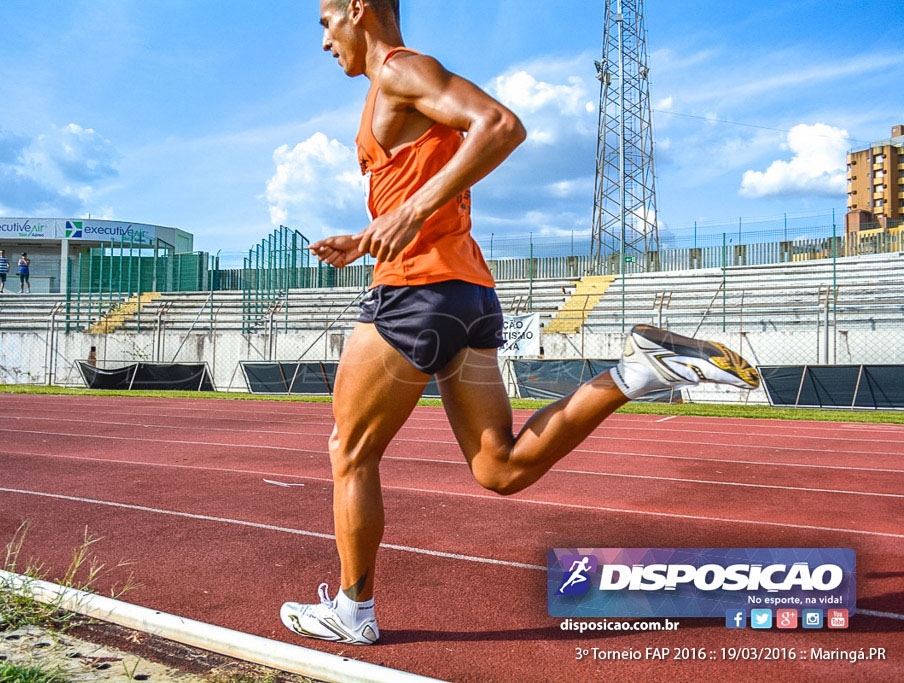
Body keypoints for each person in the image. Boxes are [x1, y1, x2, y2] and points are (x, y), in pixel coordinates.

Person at [280, 0, 760, 645]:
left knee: (350, 450)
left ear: (358, 10)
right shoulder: (392, 87)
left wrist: (412, 213)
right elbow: (415, 195)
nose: (323, 40)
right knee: (500, 469)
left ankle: (352, 611)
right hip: (468, 298)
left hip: (417, 295)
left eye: (324, 21)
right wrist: (368, 236)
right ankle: (639, 372)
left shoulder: (399, 69)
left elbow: (501, 126)